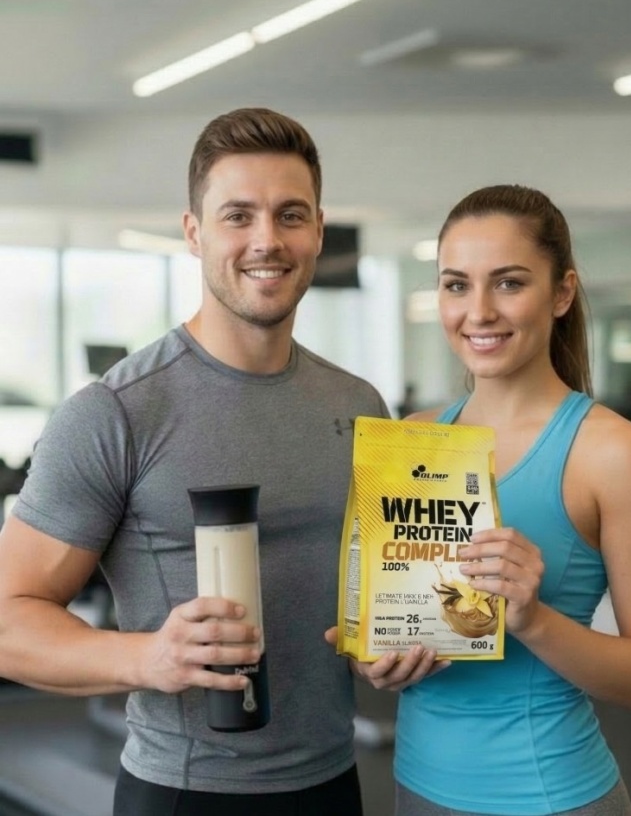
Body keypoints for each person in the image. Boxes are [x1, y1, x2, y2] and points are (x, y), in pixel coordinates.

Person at [0, 107, 432, 816]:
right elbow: (8, 622)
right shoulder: (116, 411)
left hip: (333, 783)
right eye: (238, 215)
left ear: (319, 230)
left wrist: (389, 648)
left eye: (291, 215)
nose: (268, 239)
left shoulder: (359, 404)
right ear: (194, 232)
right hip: (185, 793)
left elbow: (372, 601)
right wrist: (147, 657)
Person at [357, 185, 631, 815]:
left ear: (561, 293)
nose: (478, 311)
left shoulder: (615, 453)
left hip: (545, 796)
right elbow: (397, 626)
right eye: (457, 285)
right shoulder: (416, 437)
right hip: (415, 787)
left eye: (508, 283)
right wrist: (374, 657)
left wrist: (533, 620)